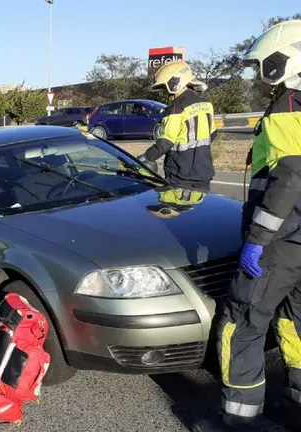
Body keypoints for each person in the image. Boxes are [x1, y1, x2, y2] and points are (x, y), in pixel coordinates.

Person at [193, 19, 301, 432]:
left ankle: (240, 421)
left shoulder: (288, 107)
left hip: (281, 241)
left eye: (267, 63)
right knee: (295, 323)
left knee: (242, 324)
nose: (262, 72)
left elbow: (289, 178)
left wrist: (257, 240)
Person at [137, 61, 217, 191]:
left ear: (174, 83)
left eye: (164, 88)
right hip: (203, 171)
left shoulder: (176, 108)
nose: (164, 92)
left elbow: (165, 142)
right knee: (199, 210)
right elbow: (213, 133)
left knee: (175, 209)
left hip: (180, 173)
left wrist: (144, 158)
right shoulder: (206, 105)